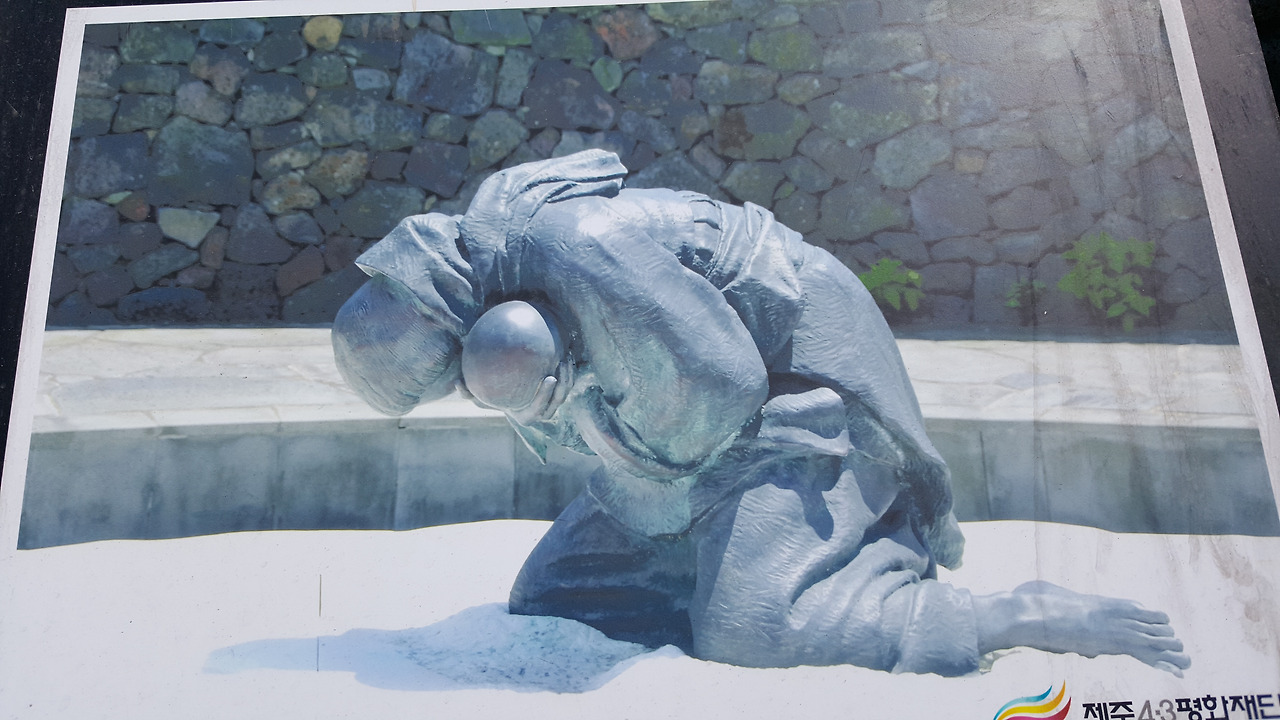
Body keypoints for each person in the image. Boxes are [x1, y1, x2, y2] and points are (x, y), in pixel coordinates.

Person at [331, 150, 1189, 676]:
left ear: (439, 323)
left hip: (792, 395)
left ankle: (1008, 613)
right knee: (566, 596)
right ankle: (740, 568)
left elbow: (721, 394)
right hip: (682, 426)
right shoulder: (501, 265)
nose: (463, 390)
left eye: (444, 378)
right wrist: (582, 400)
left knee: (755, 633)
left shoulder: (575, 247)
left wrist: (575, 394)